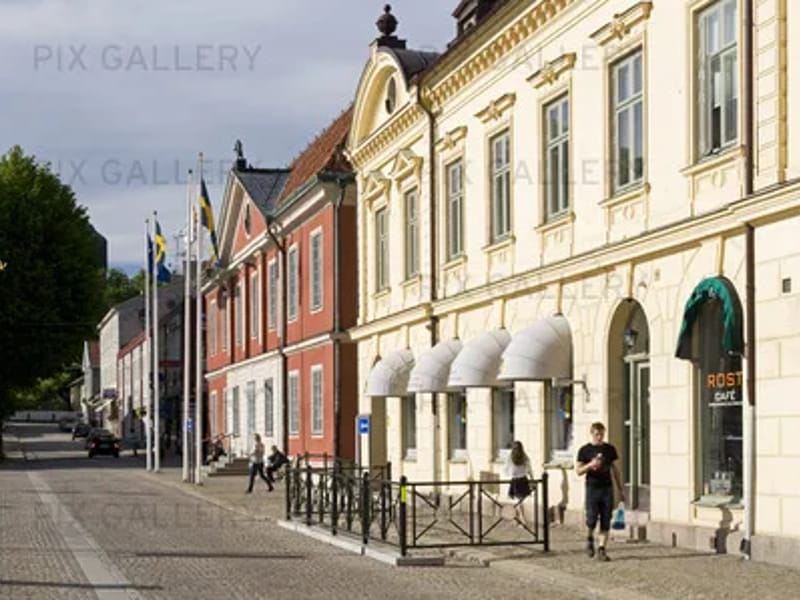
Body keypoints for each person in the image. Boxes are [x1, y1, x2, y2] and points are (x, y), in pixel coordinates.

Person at [576, 422, 624, 562]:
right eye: (597, 434)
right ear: (592, 434)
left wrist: (620, 489)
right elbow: (578, 471)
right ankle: (589, 537)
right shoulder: (584, 450)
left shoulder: (609, 449)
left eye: (602, 434)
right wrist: (590, 465)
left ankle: (602, 549)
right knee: (591, 518)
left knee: (606, 519)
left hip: (607, 488)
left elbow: (615, 470)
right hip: (592, 487)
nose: (599, 437)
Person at [505, 441, 534, 527]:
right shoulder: (523, 456)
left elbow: (506, 469)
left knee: (518, 501)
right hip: (522, 479)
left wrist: (510, 473)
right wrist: (531, 478)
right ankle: (517, 519)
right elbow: (529, 468)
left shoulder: (511, 456)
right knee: (518, 501)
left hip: (516, 480)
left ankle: (523, 520)